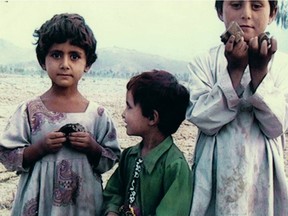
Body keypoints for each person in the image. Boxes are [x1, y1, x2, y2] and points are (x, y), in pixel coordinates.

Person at [0, 13, 121, 215]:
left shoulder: (98, 115)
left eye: (74, 56)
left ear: (88, 64)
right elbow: (7, 155)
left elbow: (110, 159)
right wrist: (39, 148)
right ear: (42, 61)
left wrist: (92, 147)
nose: (65, 64)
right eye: (56, 55)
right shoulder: (28, 111)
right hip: (40, 205)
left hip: (83, 205)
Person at [186, 0, 288, 215]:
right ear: (219, 11)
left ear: (273, 14)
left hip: (262, 175)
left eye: (257, 6)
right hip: (215, 175)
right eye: (236, 5)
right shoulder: (203, 62)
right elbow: (203, 120)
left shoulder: (282, 66)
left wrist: (260, 74)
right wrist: (233, 72)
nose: (246, 14)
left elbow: (276, 126)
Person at [102, 70, 192, 216]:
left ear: (152, 117)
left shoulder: (175, 166)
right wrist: (111, 211)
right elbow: (113, 192)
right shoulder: (129, 156)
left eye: (129, 107)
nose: (123, 114)